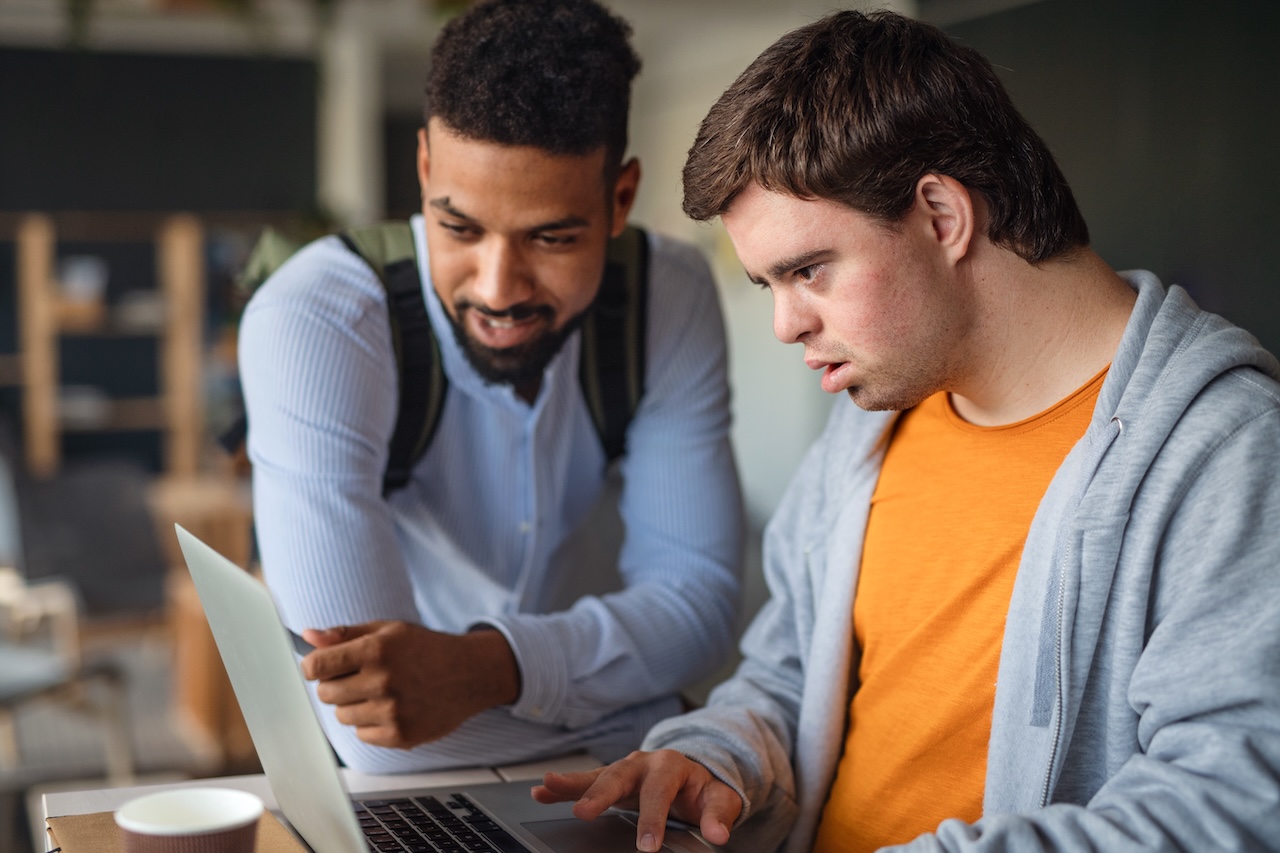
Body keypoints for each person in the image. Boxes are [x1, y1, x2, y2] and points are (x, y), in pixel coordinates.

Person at [531, 9, 1280, 852]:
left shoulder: (1228, 453)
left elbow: (1231, 801)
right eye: (767, 283)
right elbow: (787, 674)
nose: (784, 325)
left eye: (807, 270)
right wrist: (715, 756)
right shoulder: (869, 430)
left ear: (941, 215)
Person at [238, 0, 743, 774]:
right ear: (424, 170)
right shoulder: (317, 320)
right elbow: (373, 735)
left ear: (620, 200)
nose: (499, 289)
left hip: (562, 750)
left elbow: (700, 604)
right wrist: (663, 718)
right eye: (460, 228)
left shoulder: (667, 298)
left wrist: (488, 668)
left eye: (552, 237)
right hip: (486, 763)